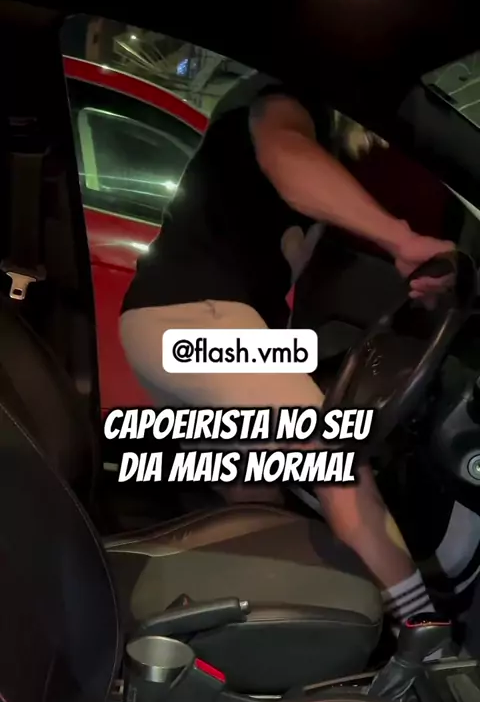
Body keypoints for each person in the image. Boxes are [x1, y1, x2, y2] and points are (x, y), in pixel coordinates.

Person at [120, 72, 455, 638]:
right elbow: (286, 152)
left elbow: (302, 252)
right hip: (199, 318)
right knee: (337, 463)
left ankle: (272, 630)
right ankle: (428, 643)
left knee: (255, 494)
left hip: (173, 323)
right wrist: (402, 239)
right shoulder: (287, 97)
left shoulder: (298, 166)